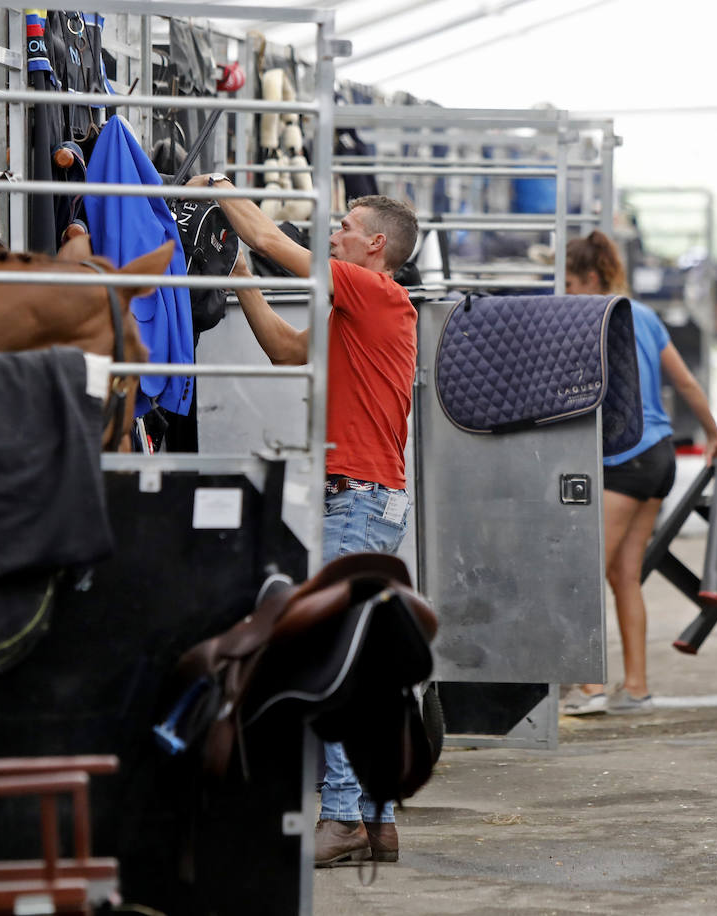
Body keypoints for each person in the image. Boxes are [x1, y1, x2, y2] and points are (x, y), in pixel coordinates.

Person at [189, 173, 418, 867]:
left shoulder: (371, 291)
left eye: (345, 226)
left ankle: (344, 819)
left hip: (358, 501)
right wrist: (239, 281)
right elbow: (288, 353)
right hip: (367, 501)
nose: (333, 233)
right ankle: (375, 821)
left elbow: (265, 235)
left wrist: (220, 186)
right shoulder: (356, 307)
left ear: (375, 246)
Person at [559, 230, 717, 716]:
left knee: (586, 572)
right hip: (660, 455)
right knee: (623, 575)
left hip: (624, 459)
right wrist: (715, 435)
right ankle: (635, 687)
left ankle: (590, 687)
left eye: (569, 281)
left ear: (591, 278)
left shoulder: (589, 318)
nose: (565, 292)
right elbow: (687, 382)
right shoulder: (646, 316)